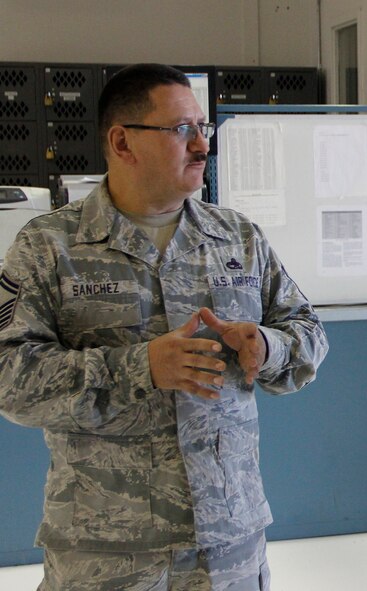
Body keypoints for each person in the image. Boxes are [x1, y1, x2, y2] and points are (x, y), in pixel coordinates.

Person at [0, 63, 328, 590]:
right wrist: (140, 367)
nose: (202, 145)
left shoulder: (237, 237)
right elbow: (11, 378)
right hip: (107, 553)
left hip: (228, 543)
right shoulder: (48, 248)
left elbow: (306, 330)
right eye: (182, 130)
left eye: (204, 128)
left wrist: (268, 346)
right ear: (123, 142)